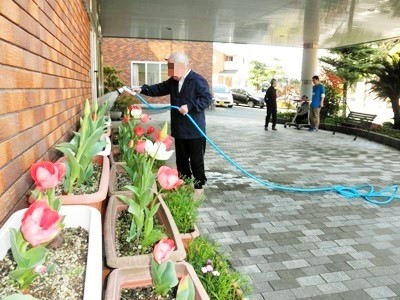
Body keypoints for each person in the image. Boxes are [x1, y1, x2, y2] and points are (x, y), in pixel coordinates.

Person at [132, 51, 212, 198]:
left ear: (185, 66)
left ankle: (199, 188)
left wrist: (190, 106)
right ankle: (184, 184)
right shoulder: (173, 81)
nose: (173, 74)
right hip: (179, 128)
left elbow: (207, 99)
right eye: (171, 69)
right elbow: (159, 88)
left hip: (195, 130)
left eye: (175, 70)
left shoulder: (197, 80)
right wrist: (142, 89)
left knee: (196, 160)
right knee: (181, 160)